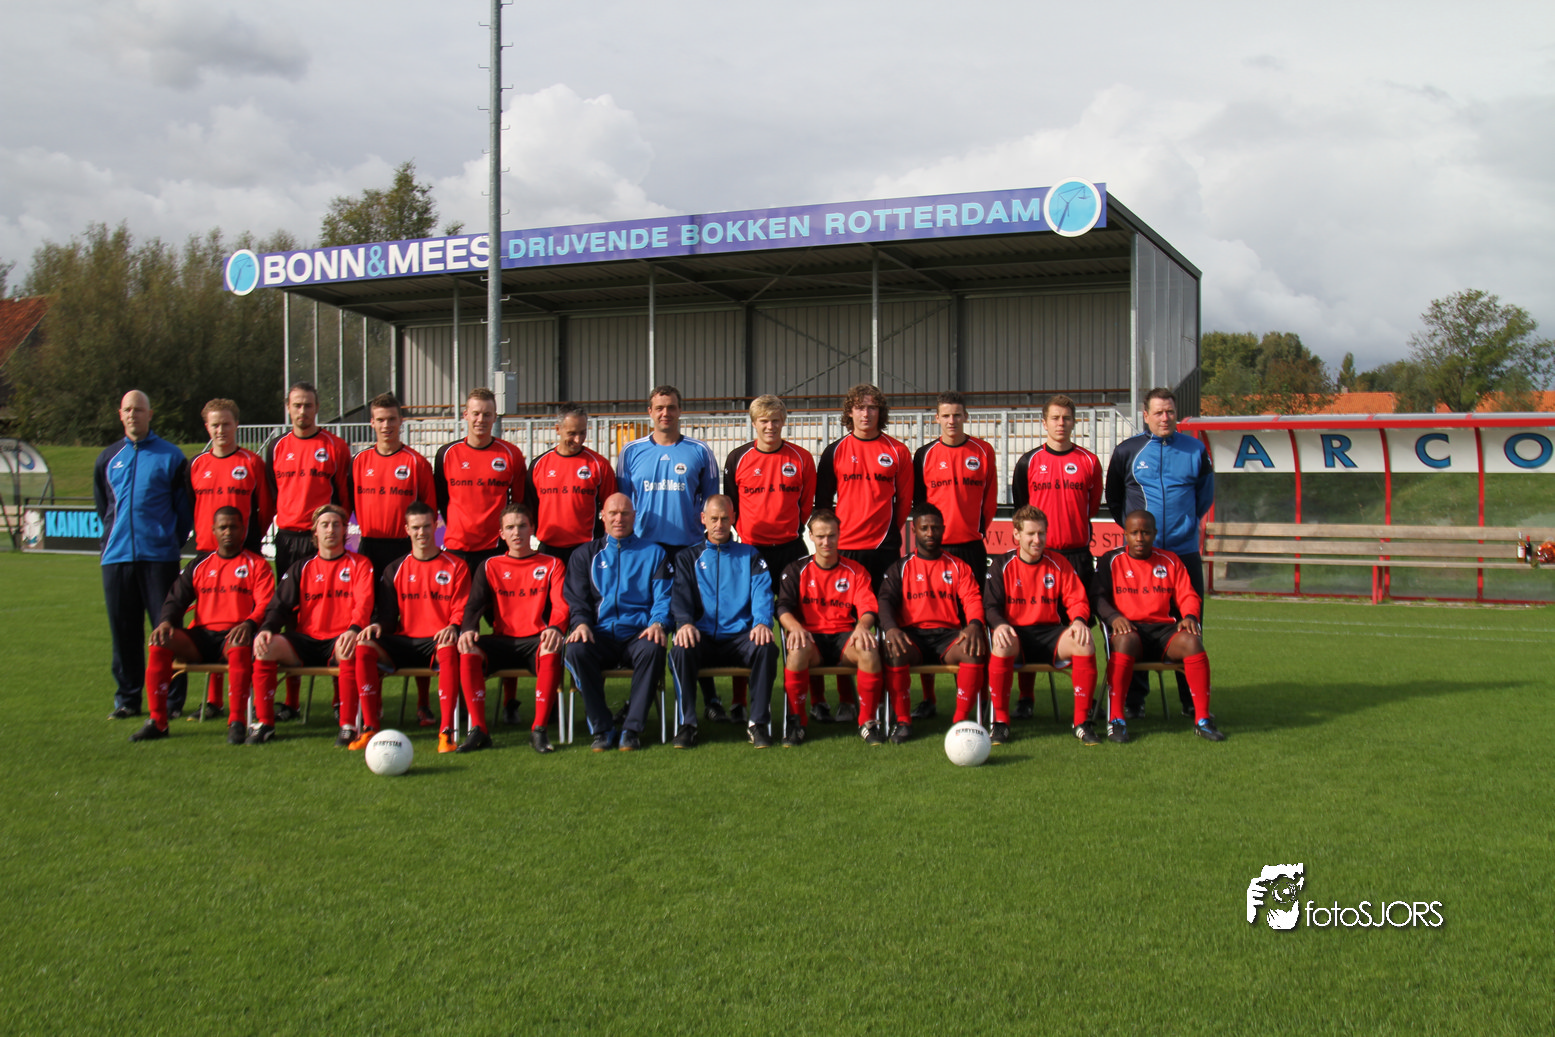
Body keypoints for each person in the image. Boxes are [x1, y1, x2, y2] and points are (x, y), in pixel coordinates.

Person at [1105, 387, 1213, 716]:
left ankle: (1191, 702)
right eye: (1158, 412)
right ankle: (1134, 702)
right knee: (1135, 624)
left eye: (1170, 412)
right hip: (1141, 557)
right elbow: (1115, 499)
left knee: (1189, 624)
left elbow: (1204, 497)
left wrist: (1184, 525)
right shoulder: (1127, 451)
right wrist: (1139, 535)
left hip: (1184, 553)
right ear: (1145, 415)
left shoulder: (1196, 450)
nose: (1165, 418)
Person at [616, 385, 721, 716]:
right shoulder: (630, 452)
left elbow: (711, 503)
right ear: (649, 412)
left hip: (689, 551)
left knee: (695, 621)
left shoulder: (699, 451)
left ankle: (711, 699)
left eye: (671, 407)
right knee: (649, 623)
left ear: (680, 410)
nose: (666, 413)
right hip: (646, 553)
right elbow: (623, 505)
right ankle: (640, 699)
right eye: (659, 407)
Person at [129, 507, 275, 744]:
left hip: (233, 636)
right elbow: (176, 598)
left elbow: (266, 604)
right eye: (223, 527)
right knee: (159, 641)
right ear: (213, 530)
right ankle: (157, 721)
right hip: (201, 637)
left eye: (233, 527)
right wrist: (165, 622)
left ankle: (237, 722)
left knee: (239, 645)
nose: (228, 532)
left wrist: (249, 624)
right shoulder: (199, 565)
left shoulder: (257, 565)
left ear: (243, 530)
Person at [814, 383, 912, 724]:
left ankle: (886, 696)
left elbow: (904, 502)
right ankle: (845, 699)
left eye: (872, 407)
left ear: (880, 412)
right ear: (850, 413)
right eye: (859, 407)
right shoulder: (835, 451)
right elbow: (822, 504)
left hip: (884, 549)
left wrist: (887, 534)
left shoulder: (898, 451)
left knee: (886, 623)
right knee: (842, 623)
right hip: (845, 551)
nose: (866, 413)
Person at [96, 389, 194, 720]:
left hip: (159, 559)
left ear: (150, 415)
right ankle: (128, 699)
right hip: (117, 558)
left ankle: (172, 700)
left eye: (139, 410)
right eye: (127, 410)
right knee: (124, 632)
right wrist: (112, 541)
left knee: (167, 630)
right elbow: (104, 507)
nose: (132, 415)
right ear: (120, 414)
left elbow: (183, 511)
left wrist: (168, 542)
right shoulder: (107, 458)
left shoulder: (171, 456)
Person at [720, 393, 815, 721]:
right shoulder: (738, 458)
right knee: (745, 622)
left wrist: (789, 530)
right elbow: (731, 506)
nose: (770, 427)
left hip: (791, 550)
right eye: (764, 421)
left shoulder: (802, 458)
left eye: (776, 420)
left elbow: (806, 505)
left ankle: (809, 699)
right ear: (754, 423)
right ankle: (739, 701)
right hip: (751, 553)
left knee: (801, 622)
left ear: (783, 421)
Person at [1093, 510, 1225, 742]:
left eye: (1145, 532)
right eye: (1134, 533)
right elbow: (1098, 597)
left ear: (1154, 534)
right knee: (1124, 639)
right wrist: (1113, 617)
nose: (1140, 538)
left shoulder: (1170, 560)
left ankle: (1203, 720)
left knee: (1192, 641)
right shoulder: (1111, 560)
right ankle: (1116, 720)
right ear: (1125, 534)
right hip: (1130, 631)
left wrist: (1190, 616)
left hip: (1164, 632)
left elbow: (1188, 595)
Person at [1009, 393, 1103, 718]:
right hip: (1039, 560)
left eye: (1066, 418)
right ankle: (1026, 698)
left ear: (1074, 422)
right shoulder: (1029, 462)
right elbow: (1023, 511)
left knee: (1079, 628)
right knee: (1030, 624)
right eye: (1055, 418)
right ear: (1044, 422)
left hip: (1077, 558)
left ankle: (1083, 702)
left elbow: (1091, 507)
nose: (1061, 423)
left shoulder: (1090, 462)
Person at [251, 505, 376, 749]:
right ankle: (265, 723)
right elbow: (279, 605)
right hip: (306, 641)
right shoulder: (302, 567)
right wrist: (267, 628)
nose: (331, 530)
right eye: (325, 525)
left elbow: (364, 603)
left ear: (345, 531)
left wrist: (353, 629)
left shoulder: (360, 564)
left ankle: (347, 725)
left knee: (351, 648)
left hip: (340, 638)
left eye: (336, 525)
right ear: (315, 532)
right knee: (266, 647)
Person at [263, 380, 351, 721]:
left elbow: (343, 497)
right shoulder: (277, 447)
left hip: (323, 538)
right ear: (288, 408)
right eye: (297, 405)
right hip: (288, 539)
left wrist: (334, 531)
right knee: (290, 614)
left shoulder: (335, 446)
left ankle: (339, 699)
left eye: (308, 405)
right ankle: (292, 700)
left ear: (317, 408)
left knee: (335, 611)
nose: (303, 411)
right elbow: (273, 495)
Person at [357, 503, 475, 753]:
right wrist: (376, 625)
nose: (421, 533)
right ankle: (369, 728)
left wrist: (453, 626)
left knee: (447, 646)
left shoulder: (456, 566)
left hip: (438, 641)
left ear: (436, 526)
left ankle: (446, 732)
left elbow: (461, 608)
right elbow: (388, 616)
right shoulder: (395, 568)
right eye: (416, 528)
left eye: (426, 526)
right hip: (405, 642)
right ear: (407, 530)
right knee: (364, 646)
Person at [186, 397, 276, 719]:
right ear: (206, 427)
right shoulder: (197, 465)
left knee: (239, 624)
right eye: (215, 425)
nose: (221, 430)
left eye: (226, 424)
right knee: (208, 621)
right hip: (206, 555)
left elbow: (266, 508)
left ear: (236, 425)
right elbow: (191, 507)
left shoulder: (252, 463)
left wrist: (249, 540)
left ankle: (242, 697)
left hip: (243, 553)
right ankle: (213, 701)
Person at [562, 493, 672, 752]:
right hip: (598, 634)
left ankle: (632, 730)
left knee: (653, 647)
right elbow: (577, 599)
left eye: (624, 513)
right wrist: (581, 624)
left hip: (638, 635)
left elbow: (664, 597)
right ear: (603, 516)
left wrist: (658, 623)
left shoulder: (655, 553)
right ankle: (602, 728)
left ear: (634, 516)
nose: (618, 519)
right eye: (613, 513)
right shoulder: (584, 555)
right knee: (576, 649)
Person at [910, 390, 996, 718]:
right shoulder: (925, 454)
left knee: (973, 621)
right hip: (934, 549)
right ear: (936, 418)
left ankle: (976, 697)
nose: (951, 421)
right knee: (927, 619)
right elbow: (920, 506)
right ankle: (929, 699)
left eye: (957, 415)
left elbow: (989, 501)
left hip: (970, 548)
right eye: (945, 415)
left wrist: (975, 531)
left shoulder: (983, 451)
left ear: (966, 417)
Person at [667, 495, 778, 749]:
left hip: (740, 639)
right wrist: (684, 623)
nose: (719, 524)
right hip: (702, 638)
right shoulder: (687, 558)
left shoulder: (750, 555)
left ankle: (758, 724)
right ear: (703, 519)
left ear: (733, 519)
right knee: (680, 649)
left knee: (766, 648)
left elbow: (762, 592)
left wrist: (762, 622)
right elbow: (680, 596)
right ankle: (687, 724)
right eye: (714, 519)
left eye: (725, 519)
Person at [458, 503, 569, 754]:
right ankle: (478, 729)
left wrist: (556, 627)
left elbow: (562, 604)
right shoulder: (490, 565)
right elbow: (474, 605)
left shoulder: (552, 564)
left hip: (536, 640)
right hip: (502, 640)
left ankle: (539, 729)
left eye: (521, 526)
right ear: (501, 533)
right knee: (468, 649)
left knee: (551, 648)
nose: (516, 532)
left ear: (532, 529)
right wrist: (468, 628)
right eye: (510, 527)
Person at [983, 506, 1099, 747]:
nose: (1037, 540)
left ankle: (1081, 722)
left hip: (1050, 633)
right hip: (1017, 634)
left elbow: (1077, 600)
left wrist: (1079, 620)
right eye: (1031, 534)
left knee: (1084, 641)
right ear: (1016, 535)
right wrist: (1000, 625)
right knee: (1002, 642)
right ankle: (1000, 722)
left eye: (1041, 533)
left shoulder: (1059, 562)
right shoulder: (1002, 564)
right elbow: (990, 605)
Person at [875, 503, 987, 744]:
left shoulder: (958, 566)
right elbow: (884, 601)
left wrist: (974, 624)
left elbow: (972, 598)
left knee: (973, 649)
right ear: (914, 530)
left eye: (935, 528)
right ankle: (903, 721)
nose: (930, 533)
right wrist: (891, 629)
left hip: (948, 636)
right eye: (924, 528)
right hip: (913, 636)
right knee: (893, 649)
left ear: (943, 529)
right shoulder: (900, 568)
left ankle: (960, 722)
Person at [775, 510, 884, 748]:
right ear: (811, 536)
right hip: (811, 639)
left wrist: (863, 626)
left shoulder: (855, 570)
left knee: (868, 649)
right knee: (796, 650)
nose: (826, 542)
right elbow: (782, 607)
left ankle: (868, 722)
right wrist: (795, 628)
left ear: (839, 534)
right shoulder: (796, 570)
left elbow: (868, 607)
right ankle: (797, 722)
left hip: (844, 638)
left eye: (831, 535)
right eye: (821, 536)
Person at [434, 387, 526, 572]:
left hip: (496, 547)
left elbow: (519, 503)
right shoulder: (447, 454)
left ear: (494, 417)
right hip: (456, 547)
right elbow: (440, 500)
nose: (481, 419)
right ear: (466, 415)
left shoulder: (511, 454)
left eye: (487, 414)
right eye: (476, 413)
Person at [351, 391, 436, 574]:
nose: (386, 425)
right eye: (380, 420)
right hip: (368, 546)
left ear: (401, 421)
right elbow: (347, 503)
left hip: (404, 545)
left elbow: (430, 510)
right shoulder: (358, 461)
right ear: (372, 422)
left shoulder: (417, 463)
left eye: (391, 419)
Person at [524, 405, 616, 571]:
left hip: (586, 549)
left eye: (582, 433)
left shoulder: (599, 465)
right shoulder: (539, 465)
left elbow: (612, 509)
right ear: (558, 429)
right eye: (572, 433)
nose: (578, 439)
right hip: (549, 550)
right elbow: (529, 508)